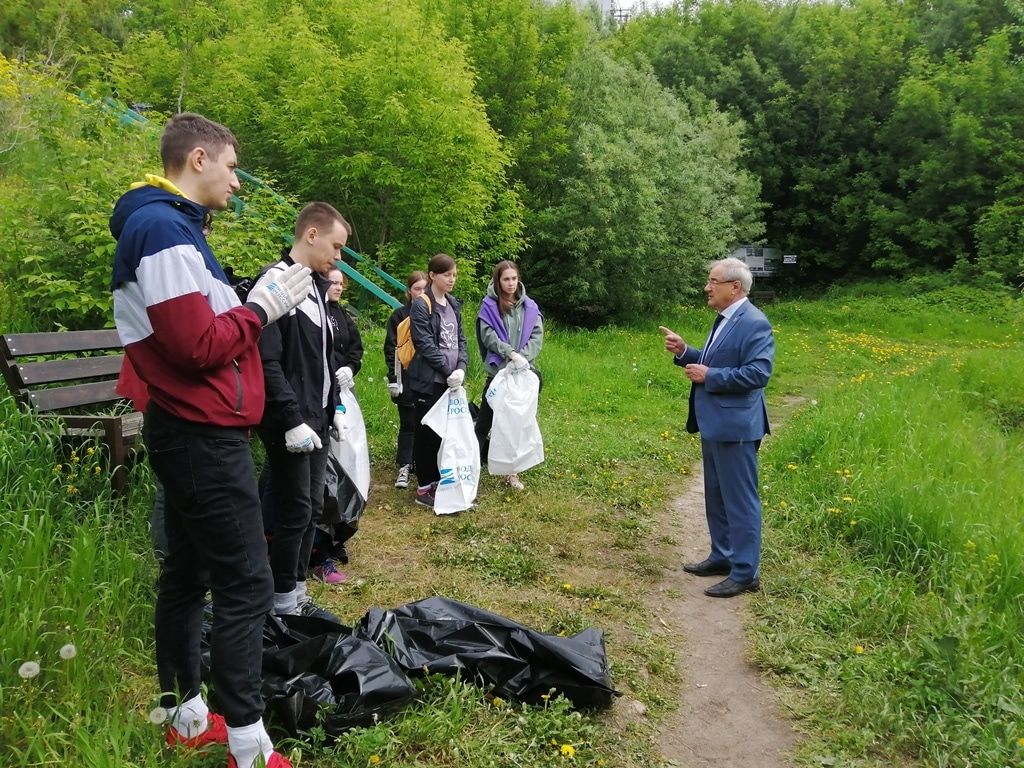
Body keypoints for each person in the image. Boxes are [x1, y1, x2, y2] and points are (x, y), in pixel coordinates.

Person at [110, 112, 310, 768]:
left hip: (193, 428)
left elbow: (201, 324)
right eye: (231, 167)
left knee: (188, 571)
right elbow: (196, 346)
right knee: (247, 581)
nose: (237, 182)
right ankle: (249, 747)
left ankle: (181, 712)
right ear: (198, 159)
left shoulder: (179, 231)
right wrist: (263, 308)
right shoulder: (164, 228)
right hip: (199, 432)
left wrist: (250, 299)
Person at [255, 203, 350, 618]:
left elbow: (320, 361)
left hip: (317, 417)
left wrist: (335, 407)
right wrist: (291, 419)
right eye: (336, 245)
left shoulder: (314, 288)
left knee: (310, 507)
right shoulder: (276, 283)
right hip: (290, 421)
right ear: (312, 235)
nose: (339, 256)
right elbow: (267, 360)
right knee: (293, 509)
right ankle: (281, 600)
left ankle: (295, 590)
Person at [659, 257, 774, 598]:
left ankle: (745, 572)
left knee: (740, 501)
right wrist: (686, 352)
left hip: (736, 426)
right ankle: (723, 556)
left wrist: (710, 376)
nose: (707, 287)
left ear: (735, 287)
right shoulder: (724, 319)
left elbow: (758, 374)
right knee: (717, 496)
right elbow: (717, 359)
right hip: (716, 422)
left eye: (713, 281)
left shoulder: (754, 322)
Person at [307, 265, 364, 579]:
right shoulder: (312, 312)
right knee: (323, 481)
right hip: (320, 401)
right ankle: (317, 550)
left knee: (346, 468)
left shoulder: (342, 316)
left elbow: (355, 349)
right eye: (335, 281)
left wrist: (351, 369)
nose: (339, 287)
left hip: (344, 398)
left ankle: (337, 533)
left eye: (343, 283)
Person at [474, 260, 544, 490]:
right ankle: (470, 465)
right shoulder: (489, 306)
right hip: (498, 373)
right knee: (484, 421)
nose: (511, 283)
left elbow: (536, 336)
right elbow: (488, 335)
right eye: (506, 279)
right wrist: (510, 353)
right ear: (498, 281)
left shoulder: (529, 307)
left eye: (514, 278)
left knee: (516, 425)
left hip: (522, 373)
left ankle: (512, 473)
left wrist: (522, 358)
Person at [407, 253, 468, 509]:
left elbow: (461, 340)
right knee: (427, 433)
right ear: (432, 275)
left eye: (454, 274)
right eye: (447, 274)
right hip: (429, 380)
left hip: (451, 381)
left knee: (446, 433)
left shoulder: (453, 304)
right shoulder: (422, 304)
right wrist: (446, 371)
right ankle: (424, 487)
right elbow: (425, 344)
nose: (452, 279)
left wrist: (462, 367)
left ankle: (440, 482)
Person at [383, 271, 428, 489]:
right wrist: (394, 379)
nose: (421, 293)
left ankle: (422, 463)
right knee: (408, 422)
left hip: (428, 378)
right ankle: (404, 465)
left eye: (424, 288)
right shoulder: (399, 316)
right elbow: (392, 349)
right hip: (406, 377)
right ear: (409, 291)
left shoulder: (433, 313)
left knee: (426, 423)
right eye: (417, 288)